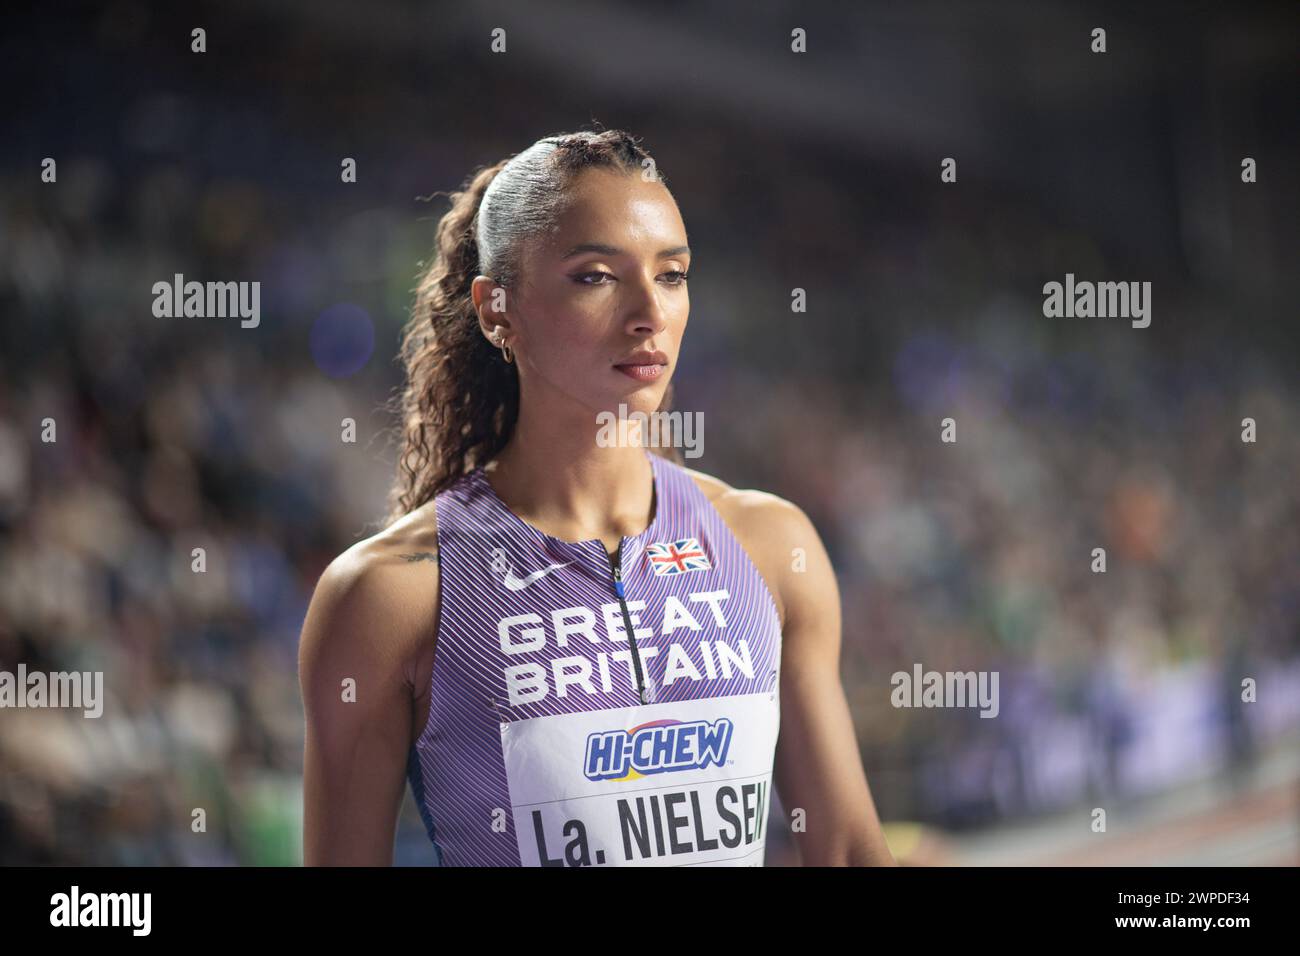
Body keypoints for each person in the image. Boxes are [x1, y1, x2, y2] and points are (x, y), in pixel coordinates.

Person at [299, 129, 897, 867]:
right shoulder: (390, 595)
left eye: (672, 274)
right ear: (496, 310)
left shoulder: (772, 546)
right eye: (595, 276)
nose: (649, 312)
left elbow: (843, 849)